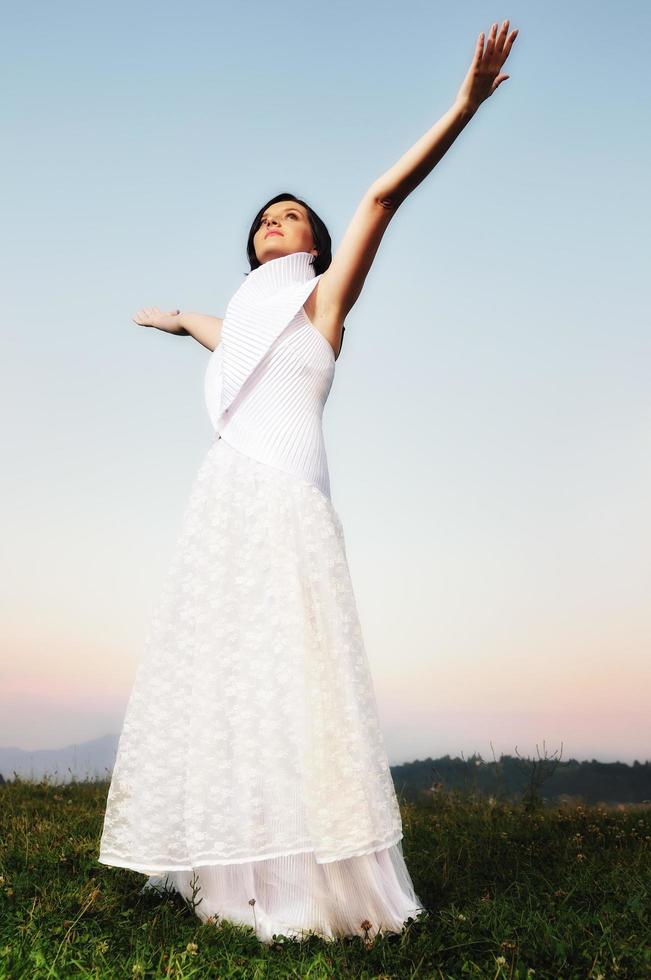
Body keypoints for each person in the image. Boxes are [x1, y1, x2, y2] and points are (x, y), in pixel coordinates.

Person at [97, 21, 519, 944]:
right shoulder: (244, 320)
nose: (271, 222)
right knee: (231, 679)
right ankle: (234, 869)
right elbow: (214, 333)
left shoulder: (322, 306)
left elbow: (380, 196)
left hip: (289, 505)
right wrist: (174, 322)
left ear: (317, 247)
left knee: (297, 683)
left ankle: (310, 883)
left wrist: (463, 105)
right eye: (262, 218)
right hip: (225, 504)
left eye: (289, 217)